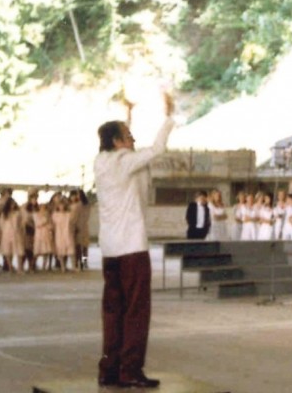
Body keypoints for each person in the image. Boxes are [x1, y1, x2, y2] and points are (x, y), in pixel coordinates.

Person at [93, 103, 174, 388]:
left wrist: (129, 116)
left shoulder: (101, 162)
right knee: (136, 310)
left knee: (113, 310)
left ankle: (109, 368)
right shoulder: (126, 160)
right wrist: (168, 118)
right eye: (128, 135)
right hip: (132, 245)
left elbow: (123, 149)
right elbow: (157, 149)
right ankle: (130, 370)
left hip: (110, 248)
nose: (133, 139)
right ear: (118, 142)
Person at [52, 193, 77, 272]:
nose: (61, 207)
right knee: (61, 250)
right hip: (59, 234)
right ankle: (63, 266)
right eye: (60, 205)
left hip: (68, 233)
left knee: (71, 249)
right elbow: (54, 223)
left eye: (63, 205)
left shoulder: (68, 214)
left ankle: (75, 265)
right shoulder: (55, 215)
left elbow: (72, 221)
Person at [32, 200, 54, 272]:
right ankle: (32, 265)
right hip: (39, 234)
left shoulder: (48, 215)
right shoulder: (36, 214)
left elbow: (51, 225)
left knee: (46, 251)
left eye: (45, 207)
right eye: (42, 207)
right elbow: (38, 224)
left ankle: (44, 266)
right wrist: (45, 220)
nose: (43, 209)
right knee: (37, 251)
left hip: (46, 233)